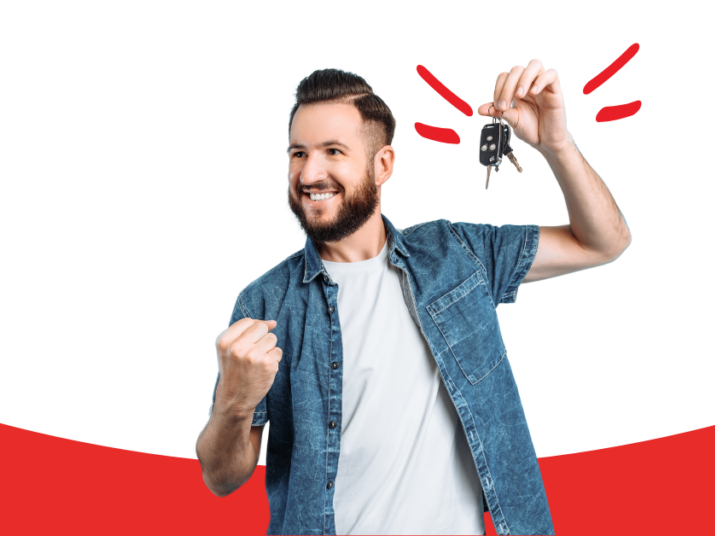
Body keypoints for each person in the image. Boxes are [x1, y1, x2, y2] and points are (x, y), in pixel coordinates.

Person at [196, 61, 631, 535]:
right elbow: (221, 479)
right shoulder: (266, 304)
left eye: (333, 151)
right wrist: (234, 403)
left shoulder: (457, 256)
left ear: (382, 165)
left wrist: (557, 145)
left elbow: (603, 243)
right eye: (298, 153)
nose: (309, 173)